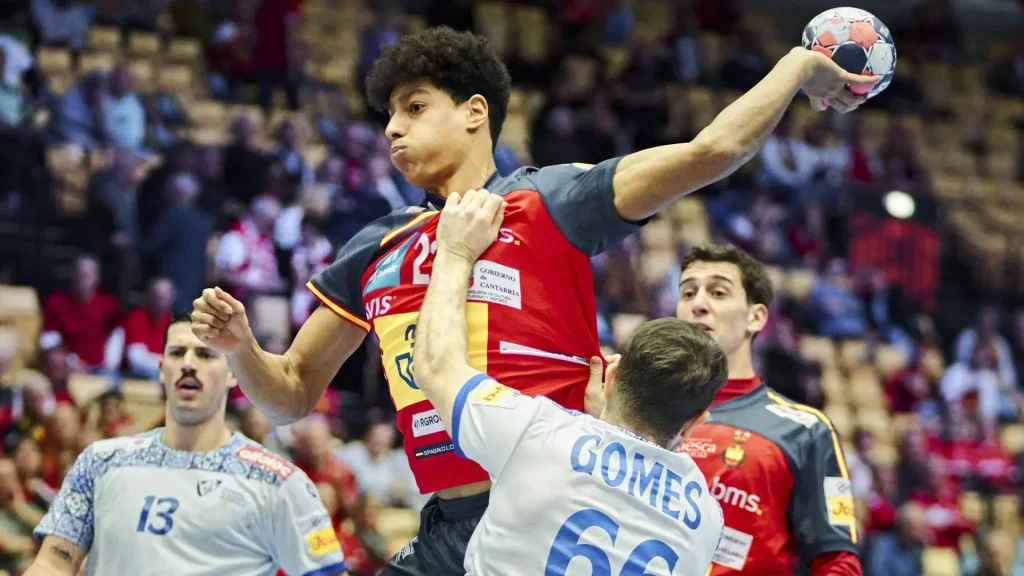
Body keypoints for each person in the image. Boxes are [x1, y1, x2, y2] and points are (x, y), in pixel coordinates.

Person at [190, 26, 877, 575]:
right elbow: (290, 396)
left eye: (414, 107)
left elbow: (711, 150)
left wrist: (797, 66)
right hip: (444, 524)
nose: (392, 128)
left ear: (475, 111)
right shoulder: (376, 245)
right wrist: (243, 349)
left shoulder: (550, 199)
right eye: (389, 115)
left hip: (546, 516)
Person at [413, 190, 727, 575]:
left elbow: (435, 366)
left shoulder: (538, 432)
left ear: (611, 376)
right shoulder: (707, 520)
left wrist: (456, 253)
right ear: (695, 422)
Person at [25, 312, 349, 576]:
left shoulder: (277, 481)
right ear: (161, 369)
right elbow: (52, 563)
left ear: (234, 373)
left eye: (206, 354)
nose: (189, 364)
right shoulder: (99, 462)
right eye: (177, 353)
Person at [672, 244, 862, 575]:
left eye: (718, 292)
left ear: (756, 317)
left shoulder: (805, 430)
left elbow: (838, 563)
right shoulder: (640, 411)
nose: (698, 304)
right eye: (688, 293)